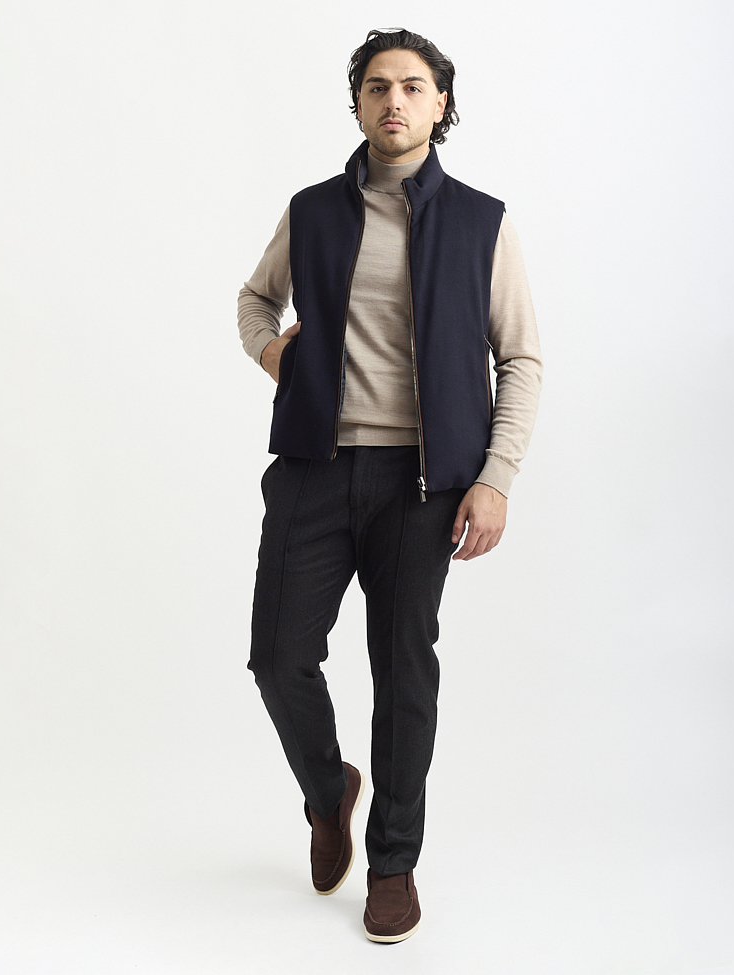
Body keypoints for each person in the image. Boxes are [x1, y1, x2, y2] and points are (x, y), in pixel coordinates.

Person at [237, 27, 541, 943]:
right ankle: (329, 789)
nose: (395, 100)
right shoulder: (313, 211)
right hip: (314, 470)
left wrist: (495, 477)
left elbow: (521, 358)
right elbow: (255, 300)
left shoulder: (482, 222)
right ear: (359, 103)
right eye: (378, 86)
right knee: (277, 657)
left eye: (413, 86)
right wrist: (274, 355)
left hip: (423, 485)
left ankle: (393, 862)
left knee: (402, 673)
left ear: (441, 104)